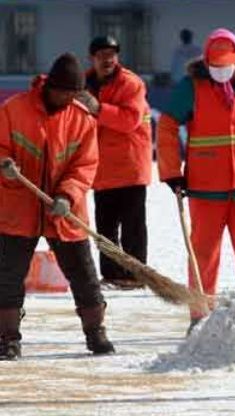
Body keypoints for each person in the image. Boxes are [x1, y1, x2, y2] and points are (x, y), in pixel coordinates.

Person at [157, 28, 235, 334]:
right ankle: (200, 316)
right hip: (206, 188)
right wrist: (172, 171)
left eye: (227, 65)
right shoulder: (191, 86)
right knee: (203, 254)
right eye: (215, 66)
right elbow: (167, 126)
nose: (221, 71)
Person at [0, 53, 115, 360]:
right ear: (50, 86)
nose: (67, 98)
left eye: (73, 93)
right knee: (8, 276)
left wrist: (66, 196)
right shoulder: (13, 110)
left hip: (65, 211)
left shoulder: (82, 120)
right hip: (17, 208)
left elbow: (85, 166)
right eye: (63, 92)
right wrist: (5, 165)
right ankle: (7, 338)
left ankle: (96, 333)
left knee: (83, 274)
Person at [77, 36, 152, 290]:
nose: (107, 59)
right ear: (92, 58)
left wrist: (98, 108)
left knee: (133, 226)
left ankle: (135, 275)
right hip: (100, 169)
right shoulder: (82, 84)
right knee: (105, 227)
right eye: (101, 55)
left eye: (112, 54)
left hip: (130, 167)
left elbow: (129, 120)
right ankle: (111, 275)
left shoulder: (131, 84)